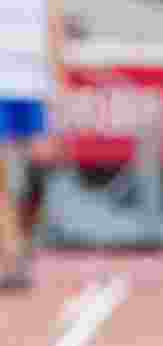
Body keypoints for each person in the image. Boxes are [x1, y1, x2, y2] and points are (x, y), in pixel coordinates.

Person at [0, 0, 64, 290]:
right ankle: (10, 253)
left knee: (39, 175)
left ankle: (23, 241)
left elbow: (54, 28)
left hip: (34, 86)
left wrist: (57, 86)